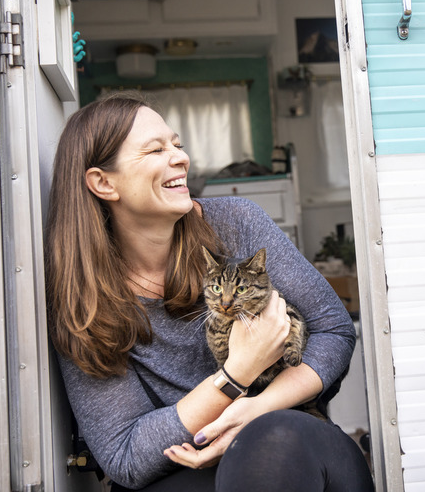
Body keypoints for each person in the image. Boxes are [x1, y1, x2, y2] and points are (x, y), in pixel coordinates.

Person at [45, 91, 374, 491]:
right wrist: (236, 375)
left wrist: (254, 410)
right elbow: (125, 454)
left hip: (291, 439)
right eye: (154, 150)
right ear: (102, 182)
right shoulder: (82, 296)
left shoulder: (236, 223)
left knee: (273, 444)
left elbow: (334, 330)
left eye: (178, 145)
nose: (181, 158)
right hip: (180, 466)